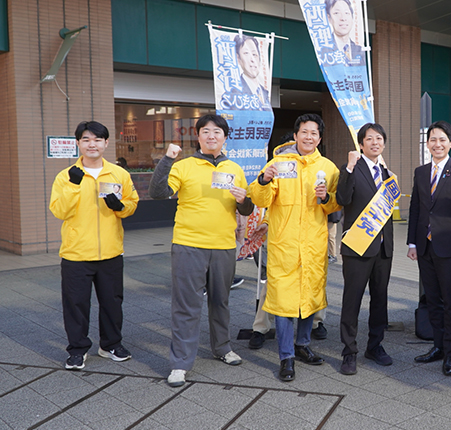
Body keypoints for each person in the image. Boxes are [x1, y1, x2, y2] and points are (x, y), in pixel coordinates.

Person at [149, 114, 254, 387]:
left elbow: (245, 208)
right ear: (198, 137)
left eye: (217, 132)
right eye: (205, 131)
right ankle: (180, 363)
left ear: (224, 137)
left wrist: (245, 201)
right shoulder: (184, 166)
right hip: (188, 244)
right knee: (186, 305)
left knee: (221, 300)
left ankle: (222, 347)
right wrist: (167, 160)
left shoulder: (235, 168)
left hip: (224, 245)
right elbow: (158, 192)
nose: (211, 136)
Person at [250, 114, 340, 382]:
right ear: (296, 135)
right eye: (304, 132)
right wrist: (264, 180)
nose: (309, 137)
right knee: (284, 302)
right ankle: (286, 356)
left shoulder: (328, 168)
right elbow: (260, 198)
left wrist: (327, 198)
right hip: (285, 246)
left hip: (312, 245)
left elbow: (335, 205)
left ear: (319, 138)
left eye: (314, 133)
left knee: (308, 298)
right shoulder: (279, 163)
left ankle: (302, 344)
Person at [49, 121, 139, 370]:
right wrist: (73, 185)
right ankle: (77, 349)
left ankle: (110, 344)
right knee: (76, 304)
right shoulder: (66, 176)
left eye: (98, 139)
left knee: (112, 303)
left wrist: (120, 207)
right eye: (86, 139)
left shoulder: (119, 174)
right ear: (78, 143)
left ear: (106, 143)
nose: (92, 144)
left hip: (111, 251)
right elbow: (59, 210)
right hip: (76, 253)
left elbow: (132, 203)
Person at [407, 121, 451, 376]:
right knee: (432, 299)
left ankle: (450, 353)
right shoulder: (421, 172)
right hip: (425, 246)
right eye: (433, 139)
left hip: (449, 247)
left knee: (450, 301)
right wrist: (413, 243)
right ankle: (437, 346)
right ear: (428, 144)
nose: (437, 144)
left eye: (442, 140)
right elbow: (416, 208)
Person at [336, 123, 395, 375]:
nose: (374, 142)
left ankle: (375, 345)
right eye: (369, 139)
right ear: (361, 144)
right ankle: (349, 352)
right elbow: (342, 199)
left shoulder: (386, 172)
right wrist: (349, 167)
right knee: (352, 300)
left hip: (383, 248)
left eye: (379, 138)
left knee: (380, 299)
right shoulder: (351, 168)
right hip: (357, 247)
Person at [319, 0, 364, 66]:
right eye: (337, 13)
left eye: (346, 13)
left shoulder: (360, 50)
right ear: (329, 18)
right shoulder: (324, 50)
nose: (343, 18)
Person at [232, 35, 270, 110]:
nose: (252, 59)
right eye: (246, 53)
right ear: (238, 58)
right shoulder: (234, 93)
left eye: (254, 54)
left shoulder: (265, 92)